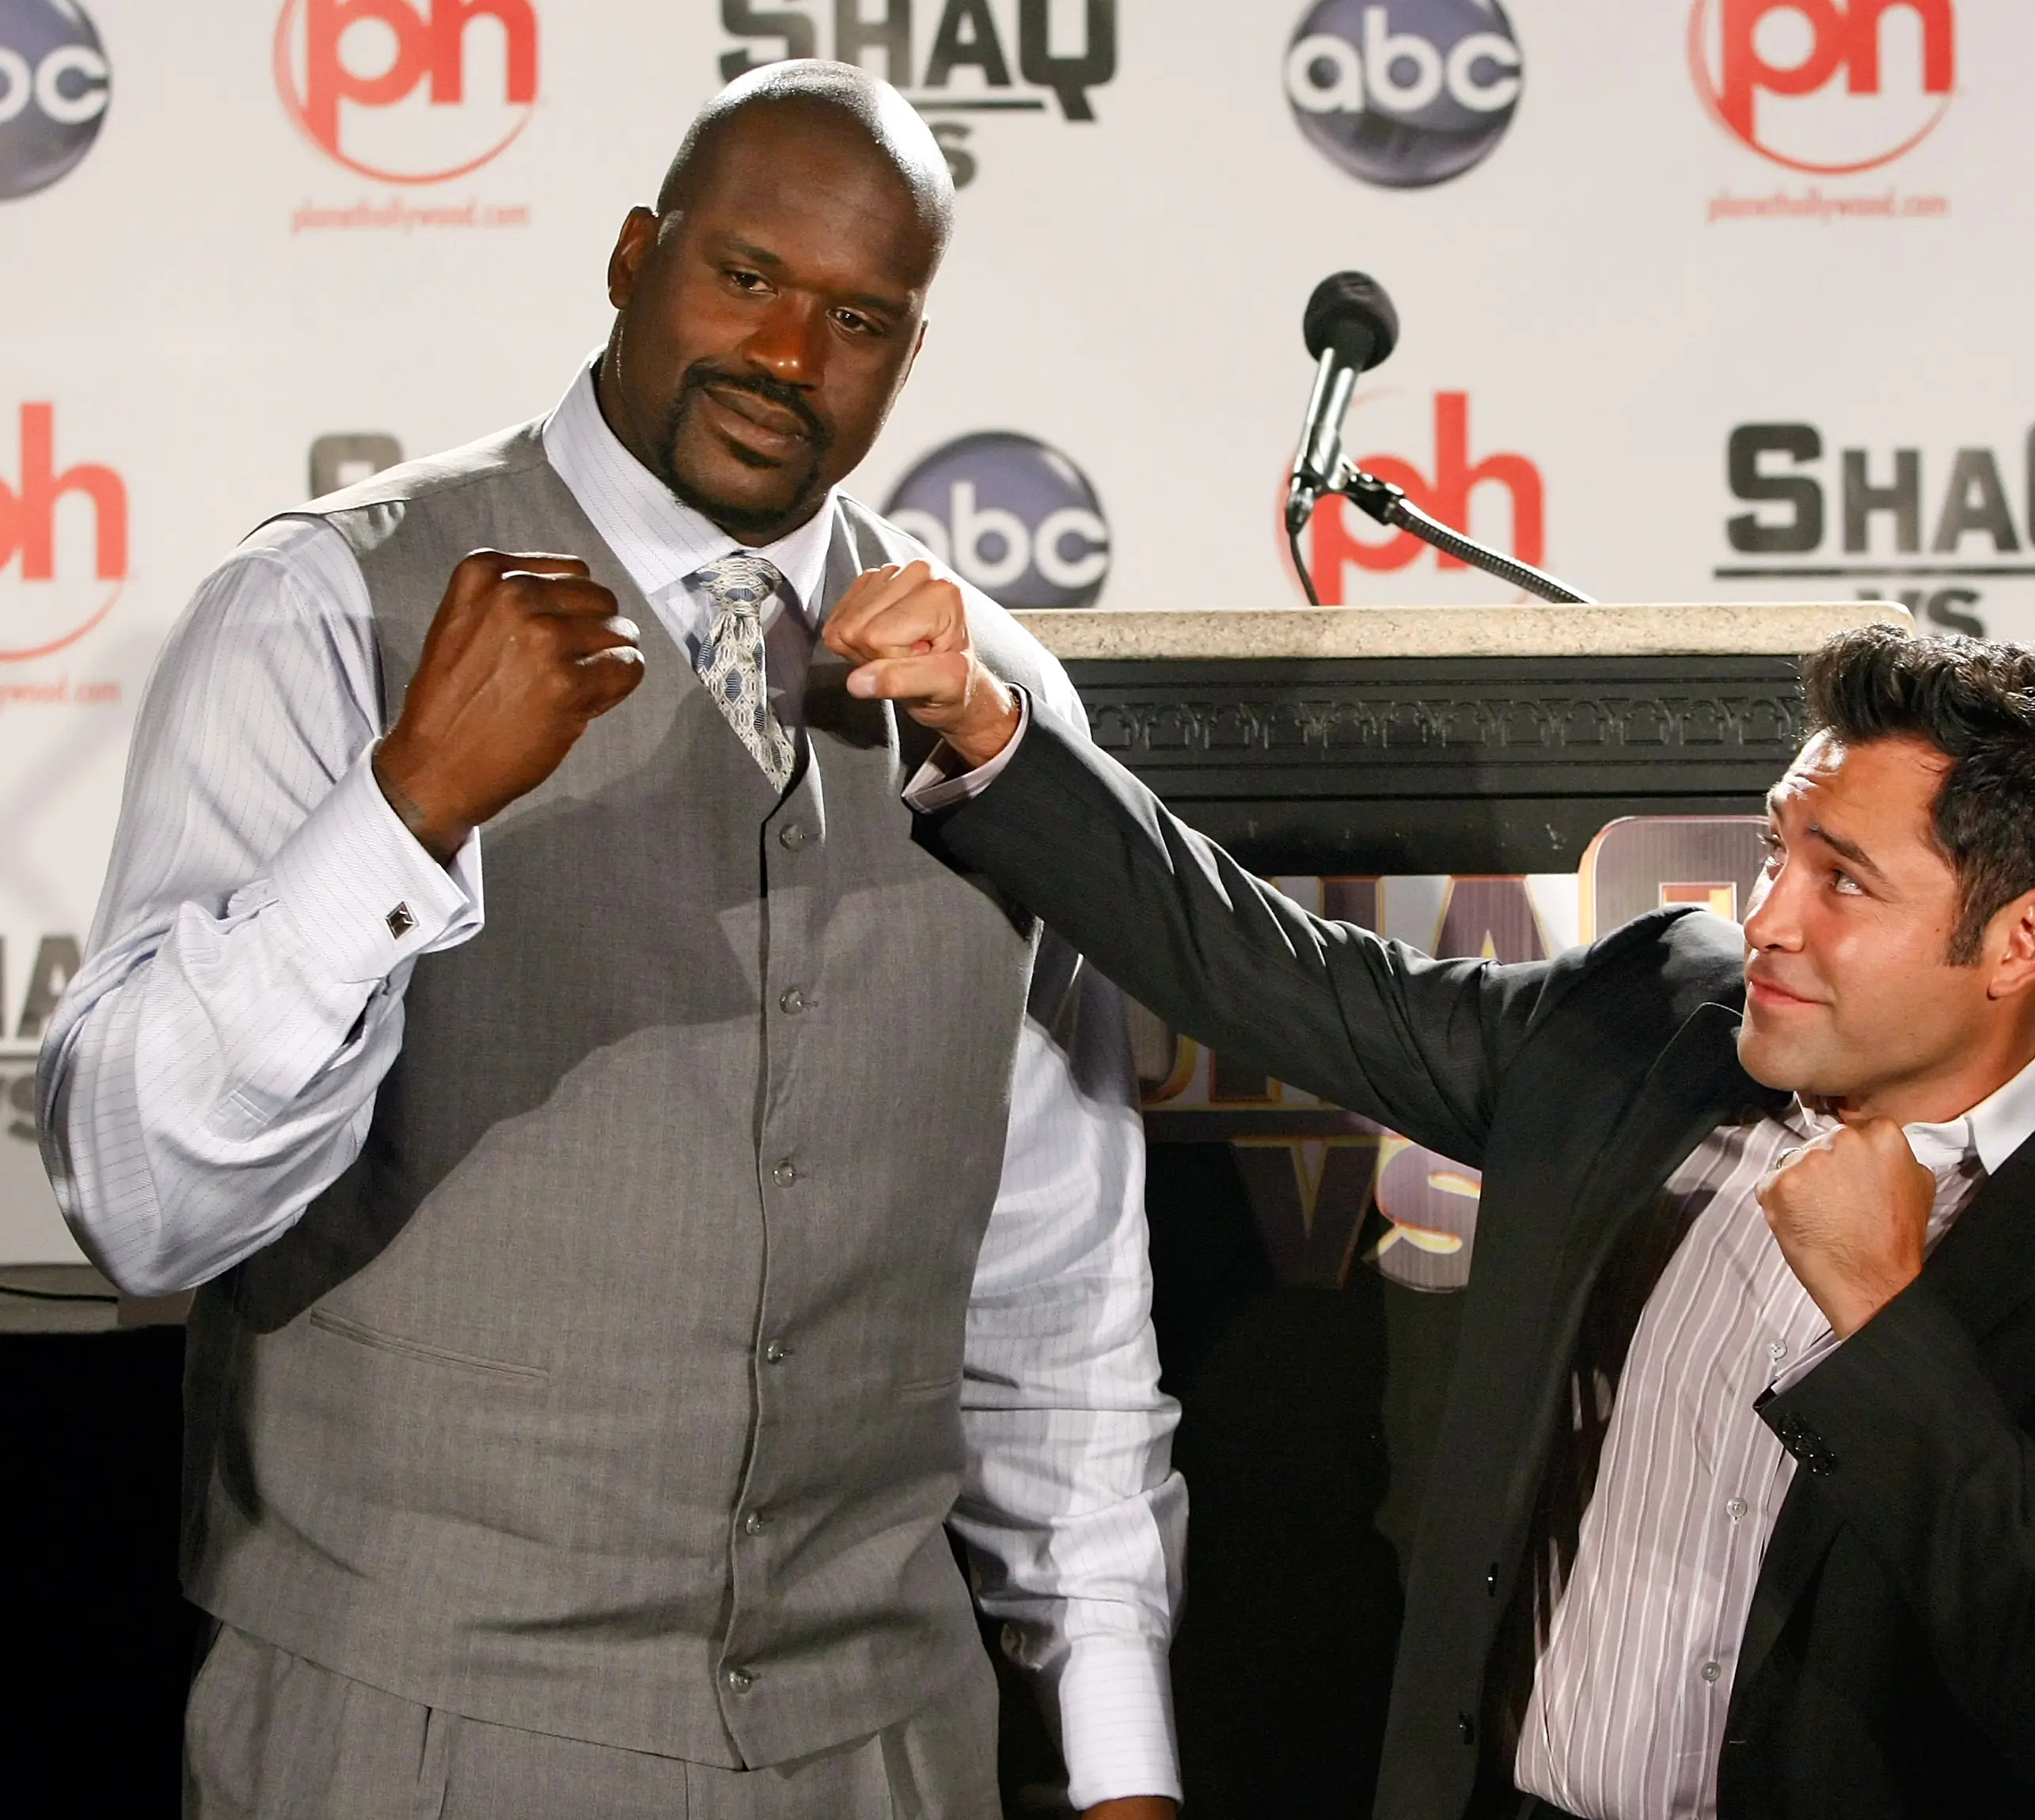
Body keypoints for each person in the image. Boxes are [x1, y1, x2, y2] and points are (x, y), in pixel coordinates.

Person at [37, 66, 1180, 1820]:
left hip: (881, 1749)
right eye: (743, 279)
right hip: (416, 1738)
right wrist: (405, 806)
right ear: (635, 257)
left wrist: (1119, 1766)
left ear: (907, 354)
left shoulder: (996, 704)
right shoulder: (326, 609)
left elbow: (1056, 1294)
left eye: (856, 317)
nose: (789, 355)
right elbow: (139, 1196)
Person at [822, 570, 2035, 1820]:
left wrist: (1884, 1314)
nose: (1770, 916)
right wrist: (995, 734)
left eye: (1843, 882)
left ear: (2018, 938)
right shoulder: (1658, 1012)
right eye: (1777, 848)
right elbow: (1287, 977)